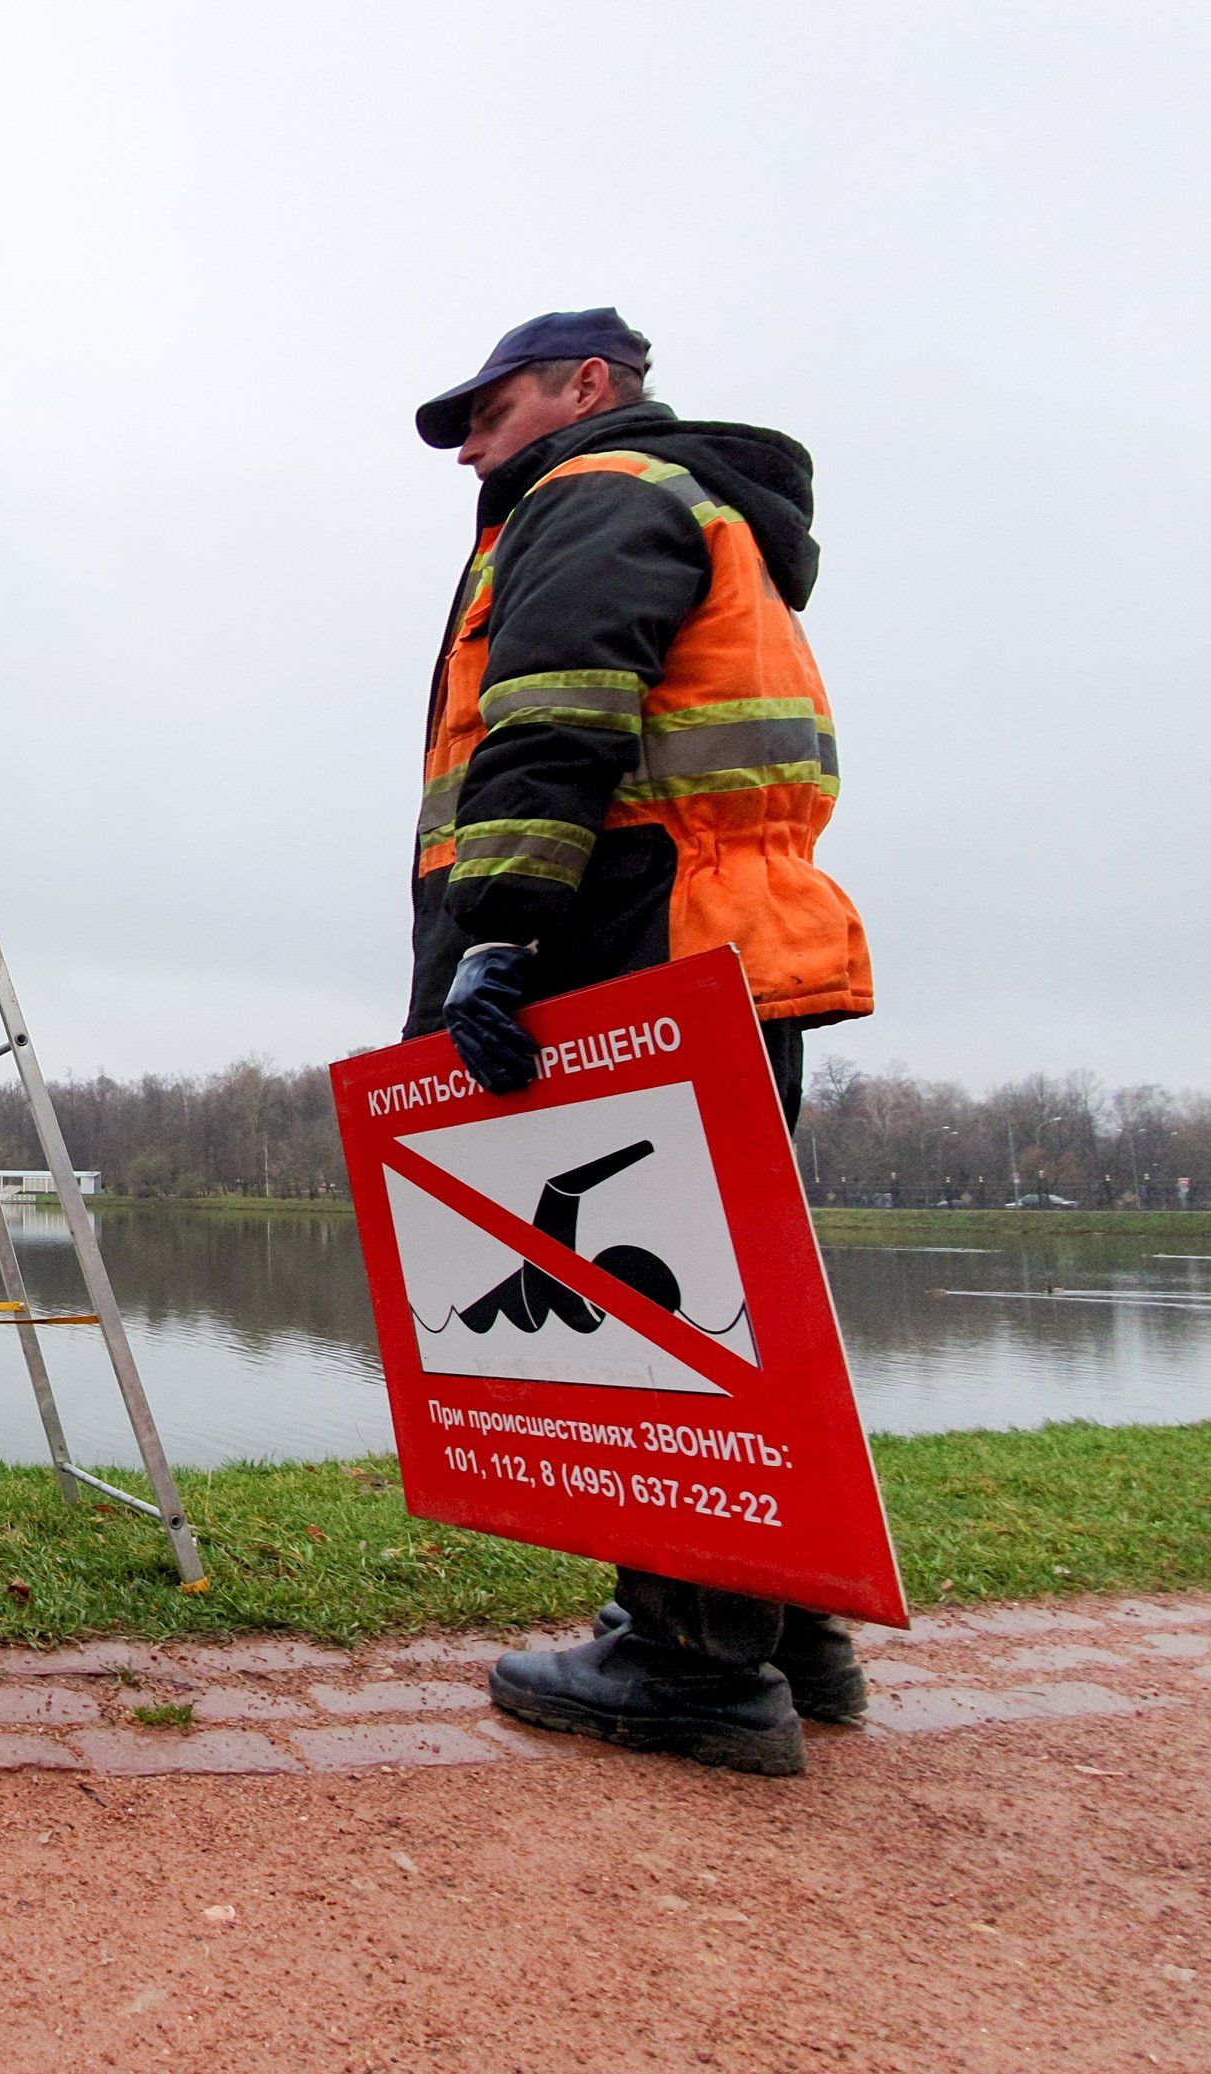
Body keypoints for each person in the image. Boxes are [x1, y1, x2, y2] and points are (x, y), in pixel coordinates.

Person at [406, 308, 873, 1776]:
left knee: (651, 1315)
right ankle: (790, 1631)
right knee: (734, 1295)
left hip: (633, 930)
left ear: (584, 387)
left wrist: (500, 930)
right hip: (716, 933)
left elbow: (554, 720)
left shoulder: (594, 496)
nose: (470, 440)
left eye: (489, 408)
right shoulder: (684, 502)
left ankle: (686, 1658)